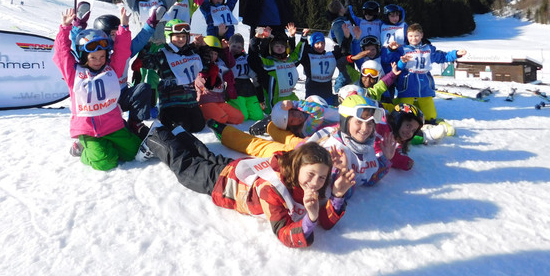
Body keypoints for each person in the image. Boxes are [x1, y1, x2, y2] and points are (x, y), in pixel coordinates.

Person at [144, 124, 355, 248]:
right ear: (298, 166)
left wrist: (337, 194)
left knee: (206, 156)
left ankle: (178, 132)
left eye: (322, 178)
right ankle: (154, 136)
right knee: (186, 167)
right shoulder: (273, 191)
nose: (316, 182)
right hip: (225, 183)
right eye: (311, 174)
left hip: (243, 169)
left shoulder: (305, 178)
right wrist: (310, 218)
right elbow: (283, 232)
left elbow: (326, 222)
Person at [212, 95, 395, 191]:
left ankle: (268, 126)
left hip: (312, 140)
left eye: (369, 123)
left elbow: (367, 176)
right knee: (264, 147)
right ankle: (229, 132)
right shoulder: (333, 143)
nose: (365, 128)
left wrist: (386, 160)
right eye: (292, 118)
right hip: (310, 145)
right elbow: (317, 112)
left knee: (276, 140)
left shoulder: (364, 145)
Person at [53, 7, 141, 171]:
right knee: (106, 162)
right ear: (84, 56)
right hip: (89, 129)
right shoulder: (74, 73)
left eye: (102, 56)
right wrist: (65, 28)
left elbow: (122, 52)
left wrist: (124, 27)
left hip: (113, 124)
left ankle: (104, 145)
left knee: (134, 152)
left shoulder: (111, 69)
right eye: (93, 57)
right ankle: (84, 150)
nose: (98, 61)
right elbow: (61, 55)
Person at [93, 8, 165, 134]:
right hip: (104, 102)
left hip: (122, 95)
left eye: (119, 32)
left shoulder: (126, 50)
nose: (117, 37)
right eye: (114, 34)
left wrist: (151, 23)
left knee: (143, 88)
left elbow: (141, 39)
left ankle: (135, 122)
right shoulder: (96, 56)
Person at [383, 23, 466, 128]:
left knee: (431, 116)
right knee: (404, 112)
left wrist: (456, 54)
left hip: (424, 84)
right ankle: (392, 107)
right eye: (411, 36)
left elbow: (442, 57)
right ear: (407, 36)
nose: (414, 39)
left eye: (416, 35)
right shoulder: (403, 49)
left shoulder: (428, 49)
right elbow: (390, 62)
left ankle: (423, 116)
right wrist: (396, 56)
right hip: (408, 83)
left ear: (421, 35)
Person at [138, 19, 207, 133]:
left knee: (199, 126)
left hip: (190, 101)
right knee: (181, 128)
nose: (181, 39)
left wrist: (203, 46)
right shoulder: (163, 55)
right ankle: (165, 117)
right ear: (169, 37)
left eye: (184, 36)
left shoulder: (191, 52)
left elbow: (206, 62)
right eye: (177, 36)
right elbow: (145, 61)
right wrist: (147, 44)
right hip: (172, 103)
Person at [248, 23, 305, 116]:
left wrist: (295, 37)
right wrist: (257, 38)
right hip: (274, 102)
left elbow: (297, 52)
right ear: (271, 48)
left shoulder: (290, 61)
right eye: (276, 46)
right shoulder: (269, 63)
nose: (279, 48)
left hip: (291, 98)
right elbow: (254, 58)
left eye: (282, 46)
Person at [197, 36, 245, 125]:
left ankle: (216, 112)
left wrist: (225, 49)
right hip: (206, 101)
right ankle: (203, 112)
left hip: (220, 100)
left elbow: (231, 63)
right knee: (222, 118)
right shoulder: (201, 65)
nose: (213, 56)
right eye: (211, 53)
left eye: (215, 54)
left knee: (239, 117)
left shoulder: (220, 64)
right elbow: (203, 65)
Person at [299, 31, 350, 105]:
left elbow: (343, 51)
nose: (320, 46)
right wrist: (303, 37)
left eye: (322, 43)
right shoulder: (307, 57)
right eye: (317, 43)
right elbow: (301, 51)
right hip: (312, 94)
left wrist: (346, 37)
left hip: (327, 94)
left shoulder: (330, 55)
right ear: (312, 44)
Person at [226, 33, 264, 121]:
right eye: (234, 46)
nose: (236, 49)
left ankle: (246, 107)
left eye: (239, 47)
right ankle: (231, 105)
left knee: (258, 116)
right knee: (243, 117)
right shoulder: (226, 57)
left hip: (248, 87)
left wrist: (256, 80)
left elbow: (253, 68)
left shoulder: (246, 58)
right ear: (229, 45)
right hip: (235, 88)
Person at [374, 103, 424, 170]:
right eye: (408, 126)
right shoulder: (381, 130)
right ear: (397, 120)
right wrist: (403, 162)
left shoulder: (397, 133)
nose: (410, 132)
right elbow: (381, 153)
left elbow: (397, 147)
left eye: (413, 130)